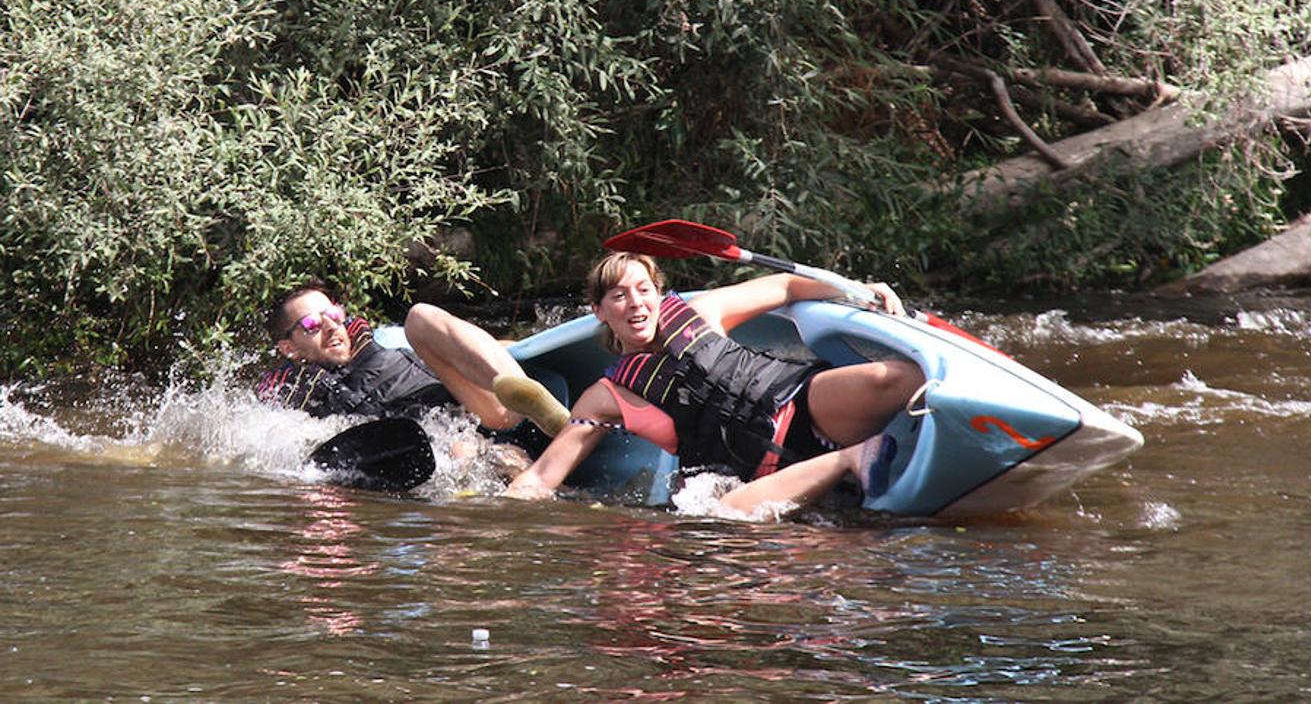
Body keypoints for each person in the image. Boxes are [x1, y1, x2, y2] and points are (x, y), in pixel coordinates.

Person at [499, 252, 926, 516]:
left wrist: (854, 291)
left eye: (643, 289)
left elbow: (785, 285)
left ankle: (938, 436)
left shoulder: (702, 311)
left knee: (897, 378)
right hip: (752, 476)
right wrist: (497, 512)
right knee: (717, 516)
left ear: (660, 294)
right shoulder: (605, 397)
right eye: (618, 296)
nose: (635, 303)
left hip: (798, 405)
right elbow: (543, 477)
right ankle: (852, 461)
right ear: (599, 311)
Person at [257, 280, 568, 442]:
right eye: (312, 325)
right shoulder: (298, 395)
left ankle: (524, 393)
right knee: (465, 450)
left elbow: (459, 345)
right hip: (443, 443)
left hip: (487, 408)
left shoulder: (385, 342)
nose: (331, 326)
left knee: (420, 315)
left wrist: (519, 350)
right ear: (289, 349)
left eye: (334, 314)